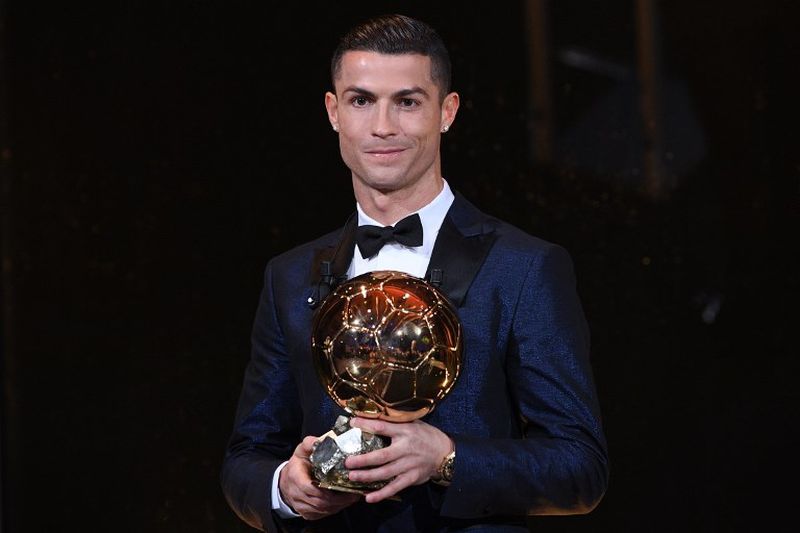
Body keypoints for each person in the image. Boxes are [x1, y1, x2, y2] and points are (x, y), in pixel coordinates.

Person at [221, 13, 608, 532]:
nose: (383, 126)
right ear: (333, 111)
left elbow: (580, 469)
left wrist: (447, 458)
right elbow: (247, 457)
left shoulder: (524, 267)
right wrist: (285, 489)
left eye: (407, 101)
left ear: (447, 112)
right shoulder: (287, 277)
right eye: (361, 101)